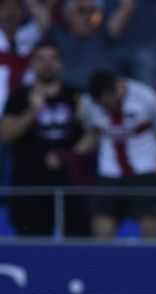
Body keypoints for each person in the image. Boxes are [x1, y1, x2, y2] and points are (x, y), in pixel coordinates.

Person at [1, 37, 87, 236]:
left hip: (71, 185)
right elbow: (6, 135)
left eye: (53, 58)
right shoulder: (19, 96)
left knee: (78, 249)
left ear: (61, 62)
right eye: (41, 59)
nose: (47, 64)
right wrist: (33, 110)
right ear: (32, 64)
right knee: (33, 249)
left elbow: (93, 138)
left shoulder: (76, 95)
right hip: (30, 186)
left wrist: (67, 155)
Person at [78, 69, 156, 238]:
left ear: (117, 89)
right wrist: (71, 154)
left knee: (151, 232)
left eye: (107, 104)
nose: (105, 109)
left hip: (145, 171)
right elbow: (93, 135)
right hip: (109, 173)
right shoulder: (90, 104)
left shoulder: (147, 98)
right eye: (102, 106)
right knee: (101, 234)